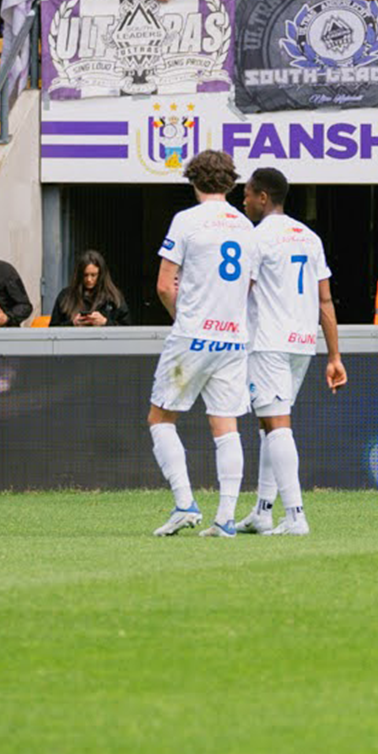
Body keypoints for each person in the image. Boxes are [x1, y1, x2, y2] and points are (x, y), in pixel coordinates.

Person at [144, 149, 258, 537]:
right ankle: (225, 519)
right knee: (226, 426)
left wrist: (184, 318)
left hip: (193, 334)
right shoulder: (245, 226)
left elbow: (164, 284)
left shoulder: (186, 221)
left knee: (160, 419)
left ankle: (184, 503)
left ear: (193, 180)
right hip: (233, 338)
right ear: (230, 182)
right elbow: (250, 284)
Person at [231, 166, 344, 538]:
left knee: (277, 426)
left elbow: (241, 291)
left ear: (263, 197)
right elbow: (325, 300)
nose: (243, 199)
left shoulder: (256, 238)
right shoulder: (308, 237)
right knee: (270, 424)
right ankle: (263, 511)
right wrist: (334, 356)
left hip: (267, 342)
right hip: (301, 344)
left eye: (247, 193)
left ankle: (296, 516)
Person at [52, 250, 131, 327]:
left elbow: (127, 330)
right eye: (85, 275)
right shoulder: (66, 297)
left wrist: (105, 322)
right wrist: (72, 324)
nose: (89, 279)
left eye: (93, 275)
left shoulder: (113, 298)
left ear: (101, 275)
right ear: (79, 275)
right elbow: (52, 331)